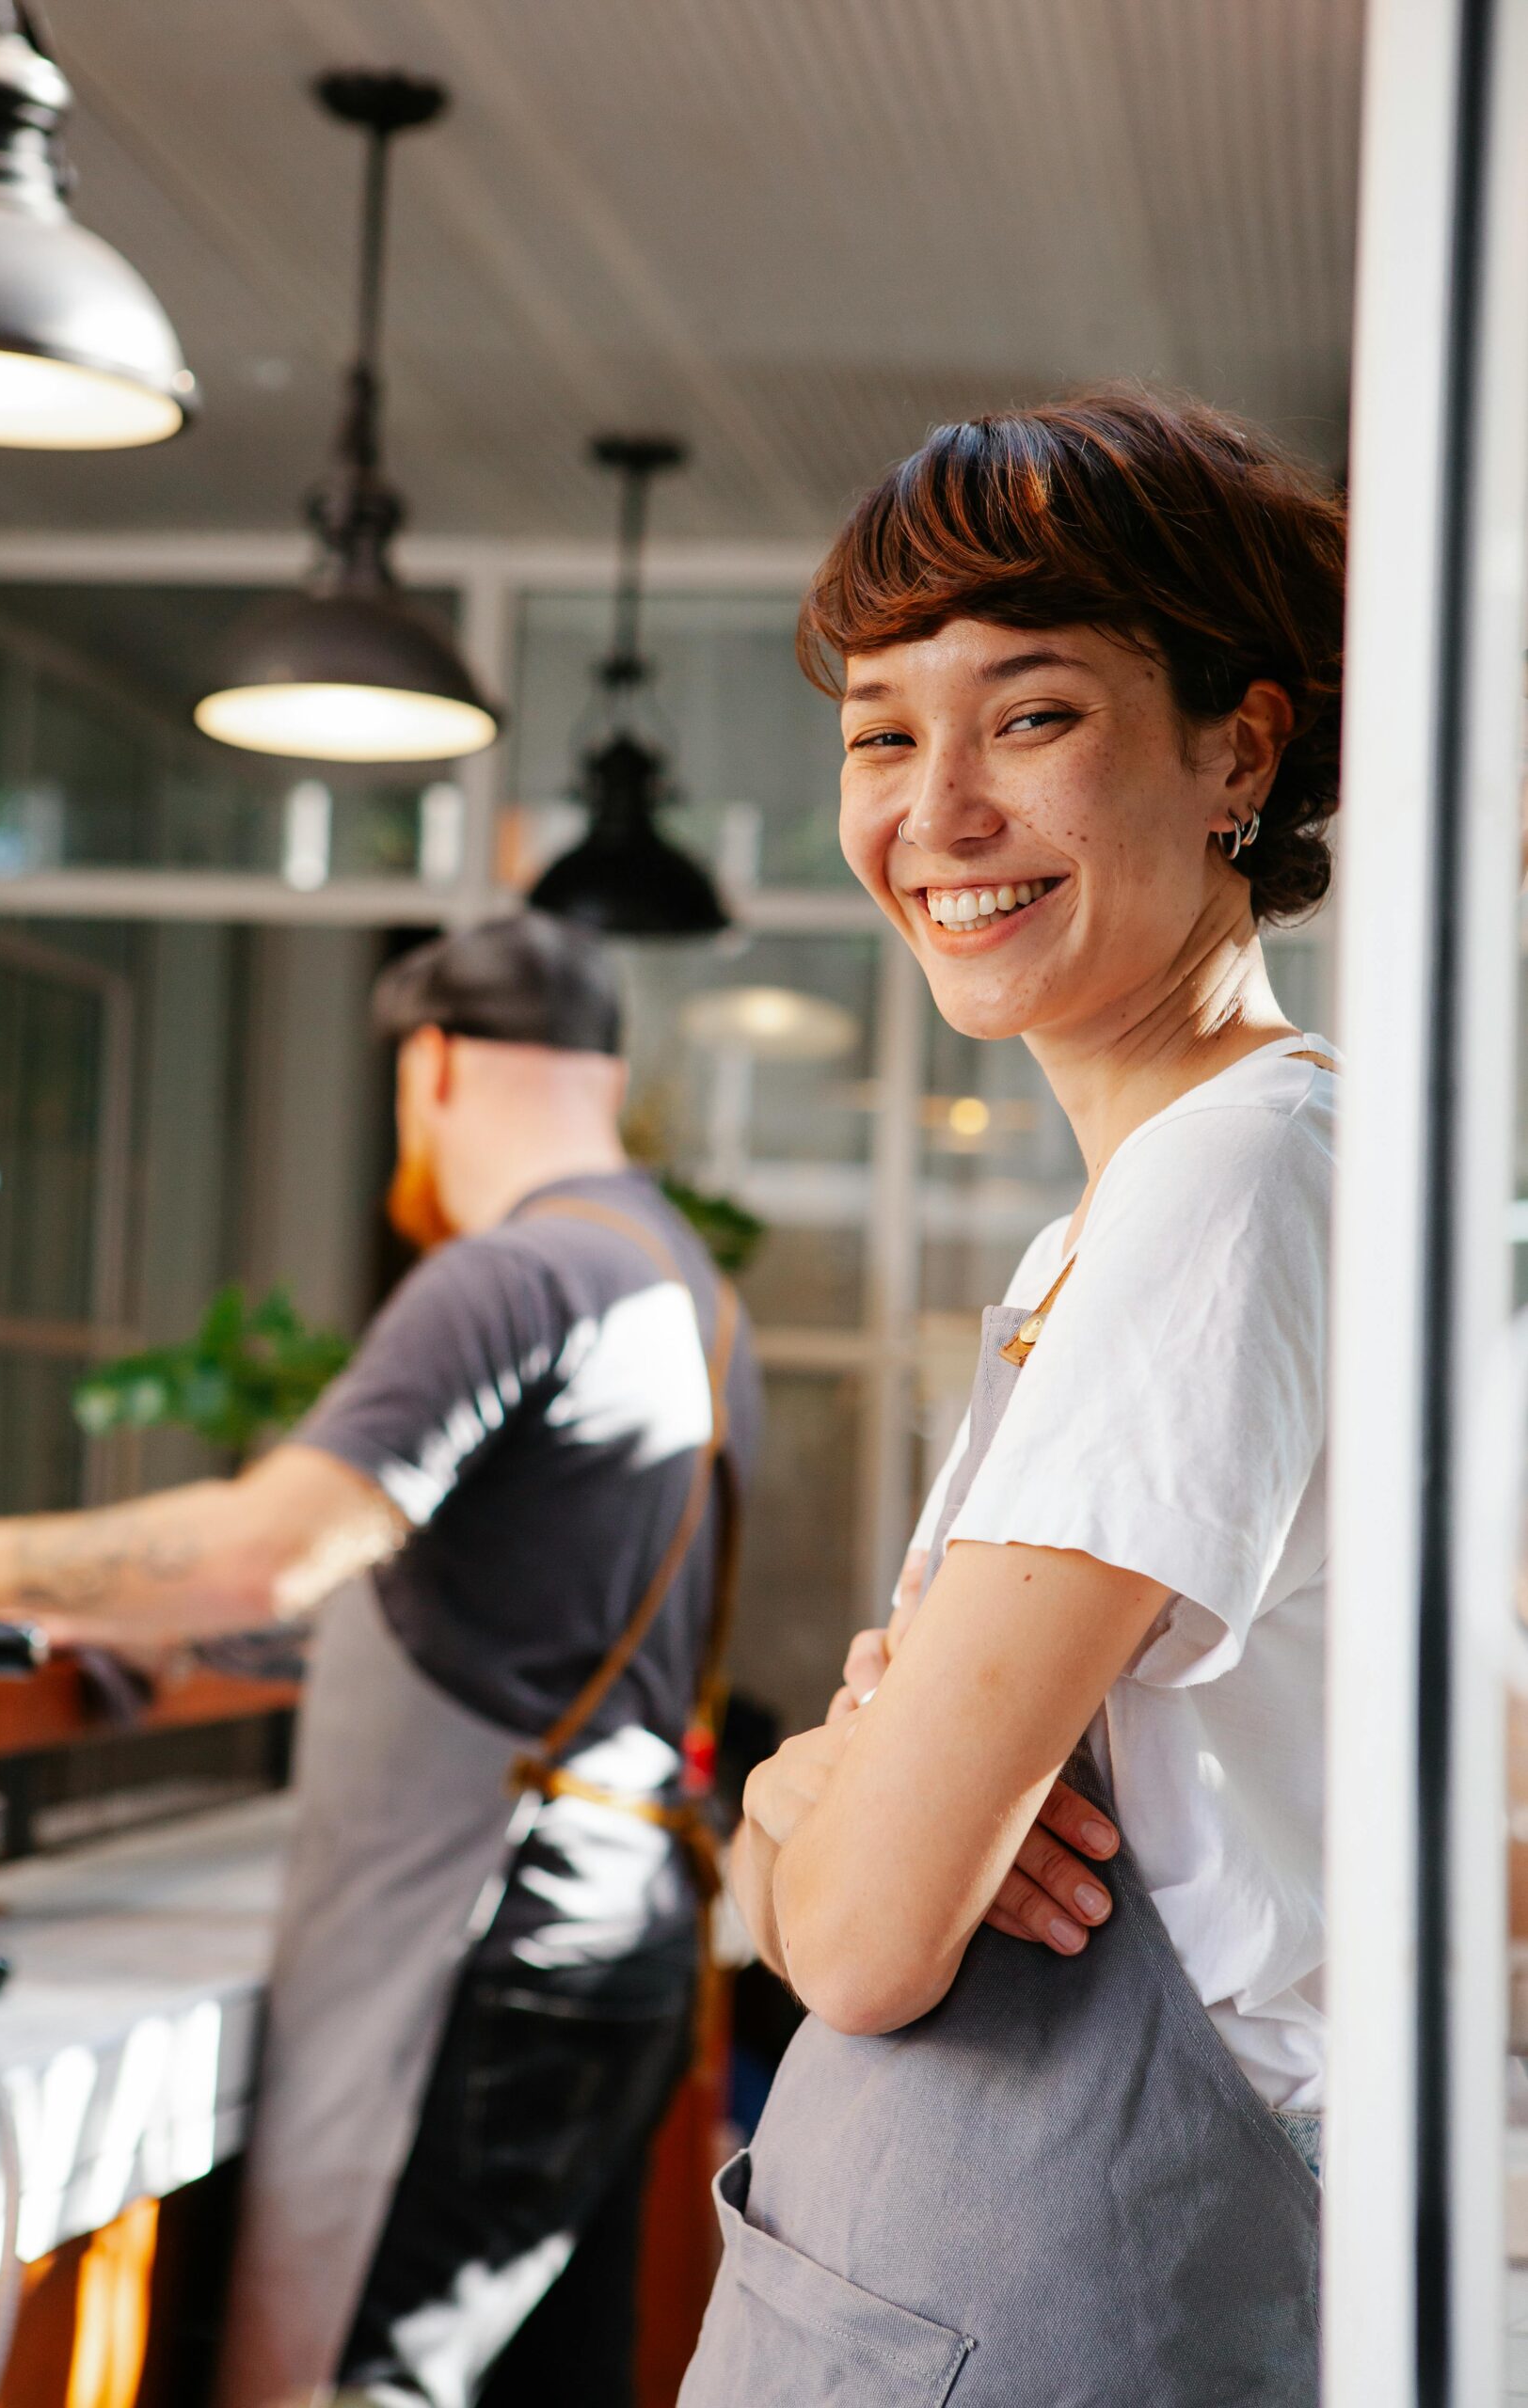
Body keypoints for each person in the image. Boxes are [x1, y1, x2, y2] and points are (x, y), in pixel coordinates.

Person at [682, 392, 1343, 2407]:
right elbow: (851, 1856)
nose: (935, 811)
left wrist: (803, 1823)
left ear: (1235, 746)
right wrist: (805, 1803)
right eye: (884, 733)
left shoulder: (1229, 1181)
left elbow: (874, 1929)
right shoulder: (1133, 1206)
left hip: (1061, 2297)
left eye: (1029, 715)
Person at [0, 911, 761, 2408]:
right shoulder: (686, 1282)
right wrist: (132, 1639)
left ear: (429, 1065)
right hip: (620, 1939)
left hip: (486, 1952)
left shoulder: (512, 1274)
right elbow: (473, 1604)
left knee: (368, 2387)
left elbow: (276, 1549)